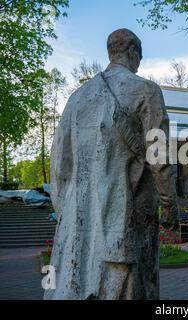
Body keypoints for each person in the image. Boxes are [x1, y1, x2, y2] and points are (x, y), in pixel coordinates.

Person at [45, 28, 178, 300]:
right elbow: (159, 158)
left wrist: (67, 211)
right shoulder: (146, 91)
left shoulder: (77, 98)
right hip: (125, 216)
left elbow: (59, 164)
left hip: (77, 220)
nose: (139, 63)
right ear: (131, 52)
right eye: (139, 56)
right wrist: (169, 205)